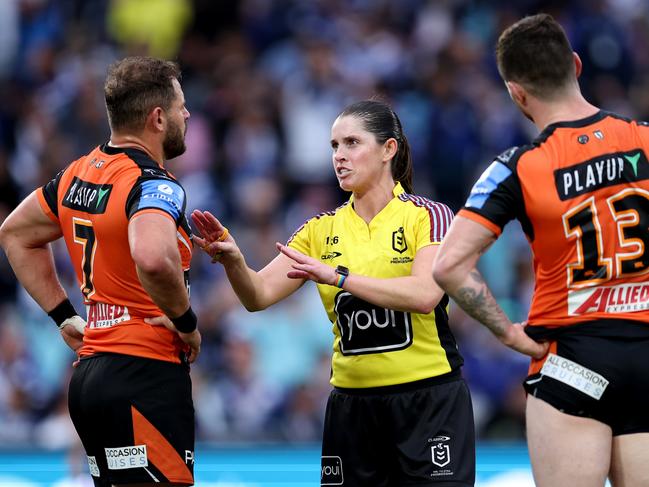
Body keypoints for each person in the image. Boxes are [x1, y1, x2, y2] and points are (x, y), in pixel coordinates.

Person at [193, 99, 475, 487]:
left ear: (388, 150)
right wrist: (234, 262)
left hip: (427, 402)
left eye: (352, 143)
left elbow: (425, 294)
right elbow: (257, 296)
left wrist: (338, 277)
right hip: (352, 407)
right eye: (334, 146)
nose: (339, 156)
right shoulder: (318, 230)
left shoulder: (428, 216)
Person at [433, 13, 649, 487]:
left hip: (571, 358)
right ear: (575, 64)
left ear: (516, 92)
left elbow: (448, 265)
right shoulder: (645, 140)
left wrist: (508, 332)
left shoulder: (518, 167)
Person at [0, 56, 200, 487]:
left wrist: (62, 315)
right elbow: (152, 257)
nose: (188, 114)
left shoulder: (76, 175)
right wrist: (186, 322)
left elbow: (15, 233)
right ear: (158, 117)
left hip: (92, 376)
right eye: (181, 106)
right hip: (144, 373)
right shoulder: (153, 183)